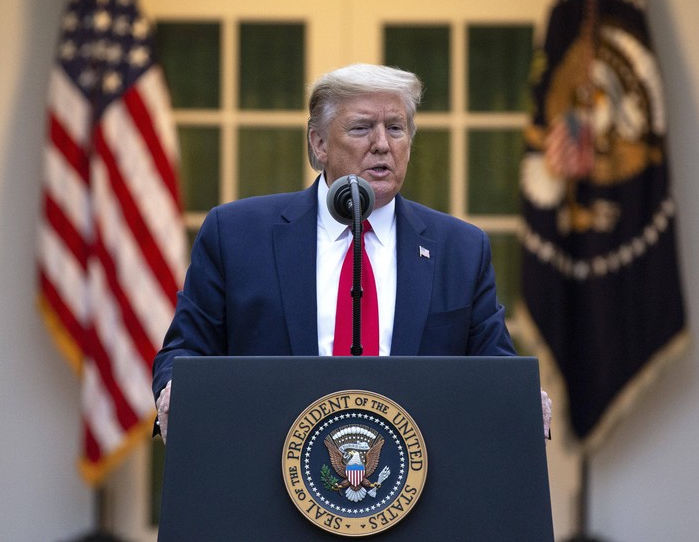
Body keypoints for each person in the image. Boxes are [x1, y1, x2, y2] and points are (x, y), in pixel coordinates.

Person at [152, 63, 549, 441]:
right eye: (361, 128)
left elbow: (494, 365)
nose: (382, 144)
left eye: (395, 128)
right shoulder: (237, 235)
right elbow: (187, 349)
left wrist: (522, 397)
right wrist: (175, 389)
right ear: (319, 143)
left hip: (415, 483)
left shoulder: (459, 249)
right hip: (267, 472)